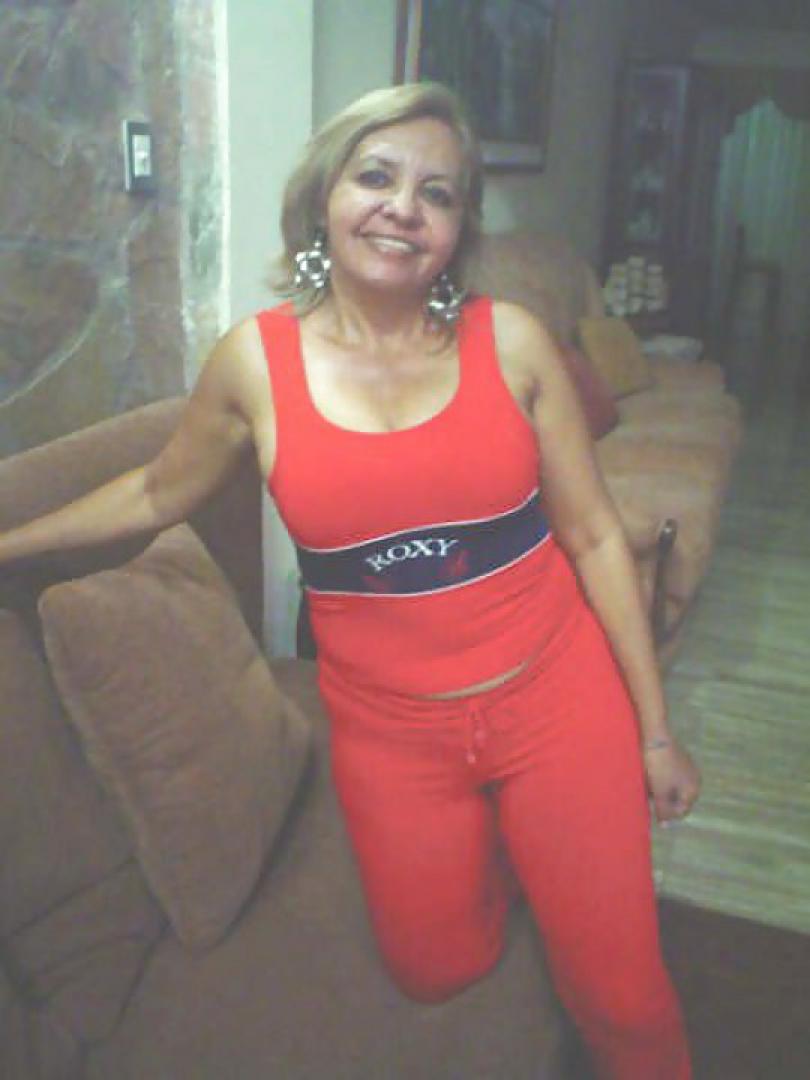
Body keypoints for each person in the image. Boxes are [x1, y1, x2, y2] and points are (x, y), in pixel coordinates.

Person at [0, 83, 700, 1078]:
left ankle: (560, 843)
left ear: (458, 230)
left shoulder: (511, 342)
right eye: (376, 176)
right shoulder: (254, 362)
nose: (402, 207)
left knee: (623, 999)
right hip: (390, 733)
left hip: (555, 699)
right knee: (436, 966)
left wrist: (653, 730)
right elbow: (154, 491)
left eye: (437, 193)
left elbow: (591, 538)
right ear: (324, 195)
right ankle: (519, 848)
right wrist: (8, 541)